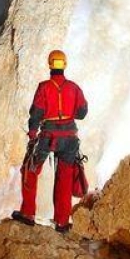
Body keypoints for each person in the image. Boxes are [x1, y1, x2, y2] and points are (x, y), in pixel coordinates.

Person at [11, 49, 88, 233]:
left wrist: (32, 134)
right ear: (65, 65)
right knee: (65, 177)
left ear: (50, 65)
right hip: (70, 137)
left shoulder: (44, 87)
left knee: (30, 170)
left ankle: (28, 213)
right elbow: (82, 113)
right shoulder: (74, 87)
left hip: (48, 136)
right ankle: (62, 222)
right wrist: (68, 112)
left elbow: (36, 113)